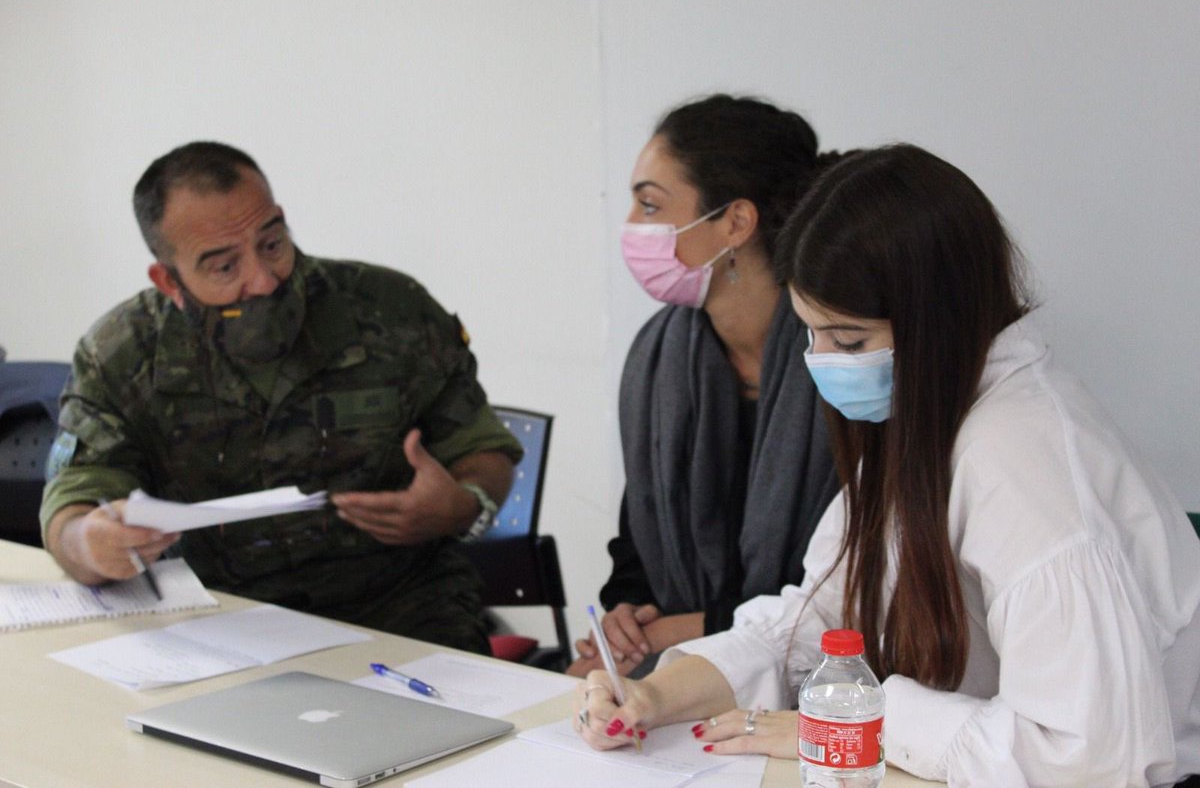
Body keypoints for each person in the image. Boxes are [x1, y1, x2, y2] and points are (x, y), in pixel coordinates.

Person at [573, 144, 1200, 786]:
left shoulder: (1027, 459)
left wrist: (855, 724)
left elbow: (1085, 756)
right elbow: (819, 617)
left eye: (848, 341)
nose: (822, 364)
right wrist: (657, 695)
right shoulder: (929, 411)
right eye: (809, 333)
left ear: (937, 320)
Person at [39, 142, 522, 654]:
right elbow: (75, 500)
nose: (264, 280)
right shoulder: (122, 353)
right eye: (224, 267)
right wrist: (89, 546)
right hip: (217, 623)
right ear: (169, 280)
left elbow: (483, 451)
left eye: (271, 244)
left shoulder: (390, 311)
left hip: (400, 611)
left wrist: (462, 505)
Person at [567, 95, 841, 677]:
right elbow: (639, 543)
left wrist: (688, 629)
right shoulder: (661, 360)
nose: (631, 225)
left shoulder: (846, 363)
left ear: (735, 223)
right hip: (681, 666)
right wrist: (626, 615)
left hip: (826, 677)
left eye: (650, 205)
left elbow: (846, 590)